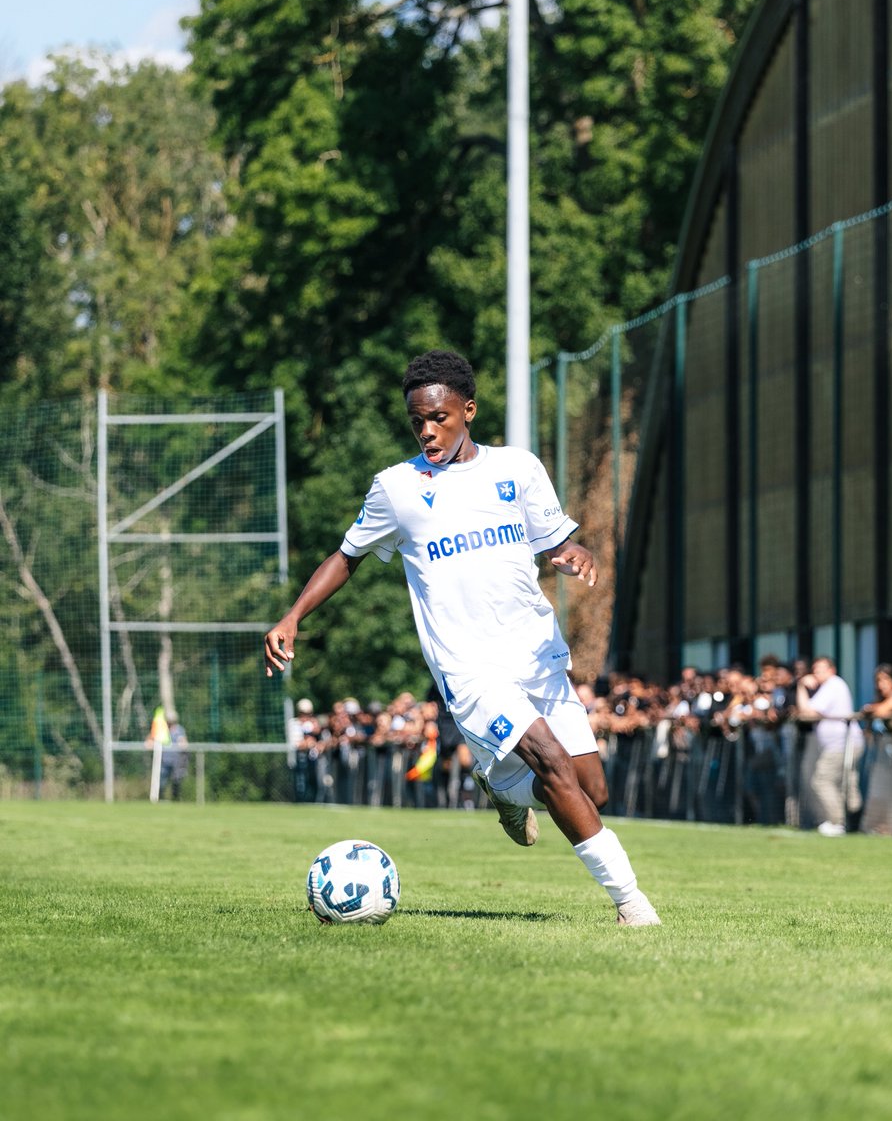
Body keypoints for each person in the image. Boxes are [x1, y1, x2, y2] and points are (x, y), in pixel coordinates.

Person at [264, 349, 660, 926]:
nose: (427, 431)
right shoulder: (396, 489)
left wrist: (570, 551)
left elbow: (554, 540)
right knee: (549, 761)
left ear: (467, 410)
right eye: (417, 421)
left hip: (536, 654)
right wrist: (293, 615)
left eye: (440, 418)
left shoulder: (518, 470)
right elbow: (346, 557)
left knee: (588, 789)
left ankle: (504, 791)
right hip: (469, 668)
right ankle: (631, 903)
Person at [796, 655, 862, 836]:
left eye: (821, 669)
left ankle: (837, 822)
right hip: (841, 744)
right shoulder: (828, 687)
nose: (816, 673)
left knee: (822, 780)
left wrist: (801, 686)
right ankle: (853, 821)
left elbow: (808, 713)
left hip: (841, 744)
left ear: (832, 670)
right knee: (845, 785)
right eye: (814, 669)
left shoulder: (833, 684)